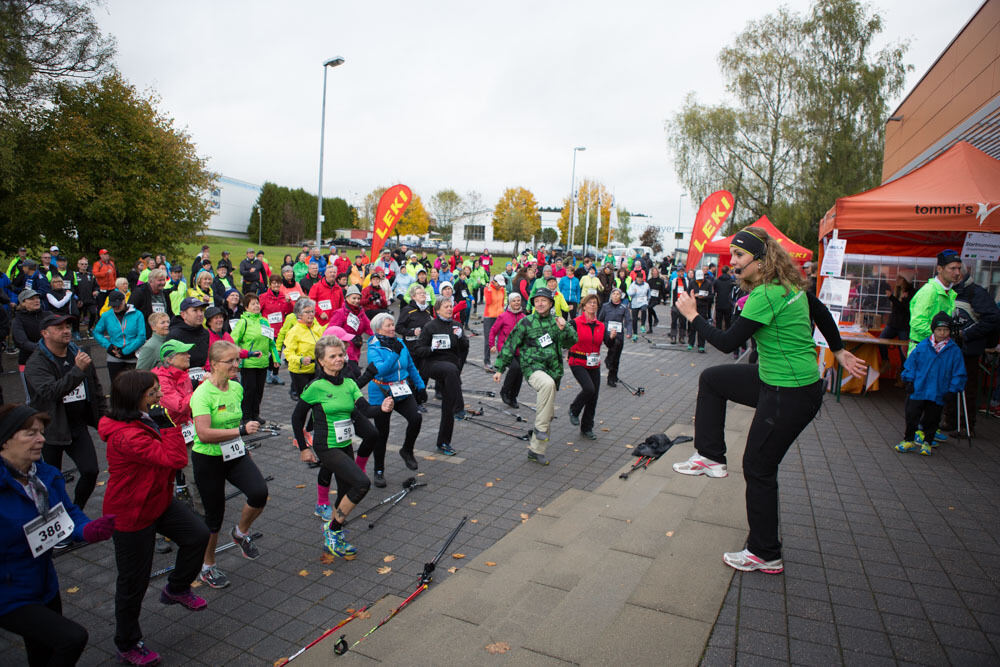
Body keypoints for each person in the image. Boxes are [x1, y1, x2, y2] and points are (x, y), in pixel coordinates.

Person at [672, 226, 866, 574]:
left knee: (758, 467)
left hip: (789, 393)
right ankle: (711, 456)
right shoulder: (788, 287)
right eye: (732, 255)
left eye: (739, 257)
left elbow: (728, 341)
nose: (733, 263)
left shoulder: (767, 295)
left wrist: (692, 315)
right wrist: (839, 350)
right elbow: (819, 311)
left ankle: (765, 552)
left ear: (761, 261)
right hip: (776, 382)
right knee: (713, 379)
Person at [99, 371, 210, 665]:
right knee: (133, 581)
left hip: (157, 500)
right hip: (131, 513)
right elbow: (175, 460)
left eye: (158, 390)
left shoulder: (142, 418)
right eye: (153, 392)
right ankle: (127, 642)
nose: (159, 396)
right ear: (135, 398)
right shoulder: (126, 434)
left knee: (198, 535)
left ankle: (176, 588)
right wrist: (169, 426)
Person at [0, 404, 115, 667]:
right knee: (71, 639)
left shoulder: (44, 475)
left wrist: (87, 529)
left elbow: (67, 515)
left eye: (41, 432)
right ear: (4, 440)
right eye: (30, 433)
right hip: (8, 593)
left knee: (43, 651)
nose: (41, 439)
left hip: (43, 582)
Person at [292, 336, 388, 557]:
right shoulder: (316, 387)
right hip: (326, 446)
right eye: (332, 356)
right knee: (362, 483)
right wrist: (304, 448)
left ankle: (334, 534)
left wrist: (382, 407)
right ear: (321, 361)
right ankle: (333, 530)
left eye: (341, 355)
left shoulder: (349, 383)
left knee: (344, 493)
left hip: (345, 444)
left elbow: (364, 410)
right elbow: (297, 417)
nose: (339, 359)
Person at [190, 341, 268, 588]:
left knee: (259, 492)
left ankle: (241, 533)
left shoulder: (236, 387)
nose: (236, 365)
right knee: (214, 517)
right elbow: (202, 433)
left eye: (237, 360)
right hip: (208, 458)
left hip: (234, 452)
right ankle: (208, 565)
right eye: (230, 361)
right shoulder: (202, 393)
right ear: (213, 365)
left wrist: (242, 445)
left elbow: (234, 422)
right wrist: (241, 430)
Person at [25, 312, 106, 514]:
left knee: (90, 471)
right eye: (59, 328)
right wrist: (77, 370)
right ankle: (56, 518)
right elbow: (49, 392)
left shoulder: (76, 352)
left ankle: (75, 511)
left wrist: (103, 417)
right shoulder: (36, 363)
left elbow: (95, 388)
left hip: (77, 425)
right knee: (52, 480)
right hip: (51, 429)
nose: (66, 331)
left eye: (68, 327)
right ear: (45, 333)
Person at [493, 288, 576, 465]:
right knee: (546, 386)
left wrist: (565, 328)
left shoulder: (556, 322)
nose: (540, 303)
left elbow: (571, 342)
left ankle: (536, 451)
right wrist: (500, 368)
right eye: (537, 300)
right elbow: (510, 344)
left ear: (551, 303)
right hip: (532, 369)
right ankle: (539, 429)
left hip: (554, 371)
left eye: (543, 300)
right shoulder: (526, 322)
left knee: (547, 412)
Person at [363, 313, 427, 481]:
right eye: (388, 326)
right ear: (378, 329)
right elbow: (381, 371)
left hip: (402, 389)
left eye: (393, 324)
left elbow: (410, 365)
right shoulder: (373, 347)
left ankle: (407, 450)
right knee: (382, 434)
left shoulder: (399, 343)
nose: (393, 328)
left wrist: (420, 386)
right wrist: (393, 354)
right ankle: (379, 470)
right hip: (382, 392)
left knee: (416, 419)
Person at [896, 312, 967, 456]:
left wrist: (953, 390)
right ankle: (908, 439)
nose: (942, 333)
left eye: (946, 330)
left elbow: (959, 372)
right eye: (939, 330)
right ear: (933, 329)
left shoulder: (954, 351)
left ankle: (927, 441)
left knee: (932, 418)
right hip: (918, 388)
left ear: (950, 331)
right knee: (911, 415)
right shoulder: (923, 346)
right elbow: (911, 364)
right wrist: (909, 380)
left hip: (938, 390)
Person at [941, 269, 1000, 435]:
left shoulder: (976, 292)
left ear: (960, 274)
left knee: (967, 387)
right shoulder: (949, 291)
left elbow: (992, 318)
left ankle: (966, 425)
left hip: (969, 348)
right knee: (948, 383)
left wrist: (967, 333)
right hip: (950, 346)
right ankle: (950, 419)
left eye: (955, 271)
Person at [412, 298, 468, 456]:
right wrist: (431, 348)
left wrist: (461, 337)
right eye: (446, 307)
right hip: (433, 364)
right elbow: (418, 349)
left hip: (451, 370)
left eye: (451, 306)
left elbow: (465, 349)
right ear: (437, 310)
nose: (450, 309)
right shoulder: (430, 327)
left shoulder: (456, 326)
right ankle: (460, 407)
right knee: (451, 370)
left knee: (447, 407)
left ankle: (444, 442)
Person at [230, 293, 277, 424]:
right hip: (249, 363)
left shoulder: (264, 321)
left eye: (257, 303)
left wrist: (275, 358)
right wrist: (237, 357)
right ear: (246, 307)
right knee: (248, 391)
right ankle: (246, 417)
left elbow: (271, 342)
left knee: (259, 391)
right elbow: (233, 340)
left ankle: (255, 414)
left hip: (263, 362)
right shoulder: (243, 322)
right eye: (253, 304)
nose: (256, 306)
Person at [908, 249, 962, 354]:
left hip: (938, 348)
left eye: (959, 268)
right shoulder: (929, 291)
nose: (957, 273)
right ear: (939, 269)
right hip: (923, 350)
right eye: (953, 268)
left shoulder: (950, 292)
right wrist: (942, 335)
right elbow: (917, 323)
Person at [567, 294, 605, 440]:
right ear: (583, 306)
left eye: (595, 303)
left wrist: (613, 338)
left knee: (593, 397)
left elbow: (607, 341)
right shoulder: (575, 323)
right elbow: (565, 339)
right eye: (589, 303)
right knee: (589, 389)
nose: (592, 306)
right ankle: (574, 409)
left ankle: (587, 428)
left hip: (594, 363)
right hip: (577, 361)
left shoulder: (600, 325)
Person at [93, 290, 146, 382]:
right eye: (113, 305)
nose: (116, 307)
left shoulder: (137, 314)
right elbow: (97, 332)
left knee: (134, 386)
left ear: (124, 301)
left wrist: (125, 351)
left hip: (132, 355)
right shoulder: (106, 315)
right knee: (116, 385)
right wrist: (108, 346)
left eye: (118, 304)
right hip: (114, 355)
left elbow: (141, 336)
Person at [283, 298, 326, 400]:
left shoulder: (316, 328)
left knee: (317, 400)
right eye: (307, 312)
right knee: (305, 401)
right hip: (300, 371)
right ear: (299, 315)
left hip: (315, 369)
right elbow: (288, 353)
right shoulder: (294, 331)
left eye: (312, 311)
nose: (311, 314)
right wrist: (300, 360)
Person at [489, 292, 527, 408]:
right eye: (514, 301)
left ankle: (513, 397)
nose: (516, 303)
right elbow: (493, 331)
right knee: (515, 367)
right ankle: (504, 391)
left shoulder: (523, 318)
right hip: (505, 349)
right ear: (509, 302)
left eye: (518, 300)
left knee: (520, 371)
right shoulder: (503, 316)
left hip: (519, 350)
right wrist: (492, 345)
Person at [327, 285, 372, 376]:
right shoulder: (340, 313)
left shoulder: (361, 313)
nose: (356, 301)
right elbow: (330, 332)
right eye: (354, 298)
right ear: (347, 298)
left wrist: (379, 336)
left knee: (353, 375)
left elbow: (369, 328)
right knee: (354, 374)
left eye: (358, 298)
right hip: (343, 350)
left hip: (356, 348)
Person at [259, 275, 293, 385]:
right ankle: (268, 373)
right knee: (271, 353)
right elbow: (258, 311)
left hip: (280, 329)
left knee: (278, 353)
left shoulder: (284, 297)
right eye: (274, 283)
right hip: (268, 330)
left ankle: (275, 374)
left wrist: (288, 302)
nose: (276, 285)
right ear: (270, 284)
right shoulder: (264, 297)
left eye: (278, 283)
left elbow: (288, 311)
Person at [168, 298, 211, 380]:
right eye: (195, 310)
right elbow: (171, 366)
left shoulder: (205, 333)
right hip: (181, 382)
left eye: (201, 310)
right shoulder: (174, 335)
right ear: (183, 314)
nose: (200, 314)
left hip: (203, 379)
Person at [598, 288, 630, 387]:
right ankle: (610, 377)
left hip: (619, 334)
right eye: (614, 294)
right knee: (614, 347)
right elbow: (600, 319)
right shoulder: (605, 306)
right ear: (611, 296)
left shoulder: (624, 307)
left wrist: (629, 332)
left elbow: (628, 321)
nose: (615, 296)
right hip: (608, 334)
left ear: (621, 296)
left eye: (618, 294)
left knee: (617, 356)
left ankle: (613, 375)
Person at [129, 268, 174, 337]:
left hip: (162, 333)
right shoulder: (139, 292)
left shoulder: (164, 294)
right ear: (150, 281)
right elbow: (130, 314)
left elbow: (169, 313)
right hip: (144, 334)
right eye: (159, 280)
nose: (162, 283)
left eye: (163, 280)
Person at [482, 274, 506, 368]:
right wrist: (488, 291)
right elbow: (488, 302)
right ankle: (487, 362)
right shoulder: (488, 289)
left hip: (499, 317)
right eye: (498, 284)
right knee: (488, 340)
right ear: (494, 282)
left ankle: (500, 361)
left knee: (501, 339)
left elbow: (502, 303)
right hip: (489, 317)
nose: (500, 286)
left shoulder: (502, 289)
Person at [688, 269, 714, 352]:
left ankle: (701, 345)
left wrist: (704, 297)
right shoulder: (692, 283)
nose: (699, 280)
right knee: (692, 326)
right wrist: (694, 295)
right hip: (693, 307)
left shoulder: (708, 284)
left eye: (701, 279)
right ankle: (690, 343)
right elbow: (688, 293)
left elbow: (711, 296)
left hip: (703, 307)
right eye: (698, 279)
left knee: (701, 326)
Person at [670, 267, 690, 345]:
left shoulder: (687, 281)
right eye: (679, 272)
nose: (681, 273)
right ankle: (673, 336)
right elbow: (671, 292)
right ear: (677, 273)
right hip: (675, 304)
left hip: (684, 304)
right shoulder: (674, 281)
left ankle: (682, 336)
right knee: (674, 321)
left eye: (682, 272)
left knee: (683, 321)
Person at [627, 271, 651, 336]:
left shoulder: (646, 285)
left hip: (643, 301)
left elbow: (649, 293)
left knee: (644, 310)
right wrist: (633, 292)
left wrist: (647, 300)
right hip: (635, 303)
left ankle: (642, 325)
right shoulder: (633, 285)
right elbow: (629, 293)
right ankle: (635, 334)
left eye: (641, 278)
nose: (640, 280)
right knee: (634, 319)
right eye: (638, 278)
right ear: (636, 278)